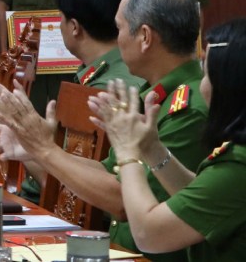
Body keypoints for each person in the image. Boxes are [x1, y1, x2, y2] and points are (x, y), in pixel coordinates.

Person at [0, 0, 209, 262]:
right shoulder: (152, 95)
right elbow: (109, 172)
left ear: (144, 37)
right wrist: (35, 147)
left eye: (119, 29)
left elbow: (122, 201)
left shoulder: (187, 108)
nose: (116, 40)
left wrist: (46, 150)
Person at [0, 0, 144, 201]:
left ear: (74, 27)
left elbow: (69, 191)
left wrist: (25, 137)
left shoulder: (99, 91)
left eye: (61, 18)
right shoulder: (122, 72)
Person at [90, 19, 246, 261]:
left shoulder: (239, 166)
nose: (200, 84)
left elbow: (148, 234)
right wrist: (151, 148)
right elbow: (199, 196)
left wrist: (127, 152)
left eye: (206, 74)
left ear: (229, 87)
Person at [56, 0, 145, 90]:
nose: (60, 25)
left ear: (74, 27)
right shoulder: (139, 64)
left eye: (61, 17)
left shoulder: (102, 91)